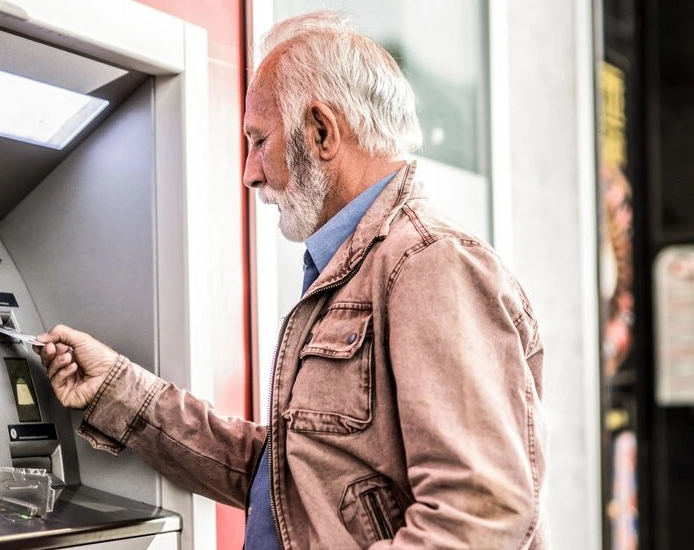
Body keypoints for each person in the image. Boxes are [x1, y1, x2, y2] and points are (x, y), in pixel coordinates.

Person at [37, 11, 548, 549]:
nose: (249, 172)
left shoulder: (429, 264)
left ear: (321, 131)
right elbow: (288, 478)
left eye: (259, 141)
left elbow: (481, 515)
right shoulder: (355, 267)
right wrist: (120, 390)